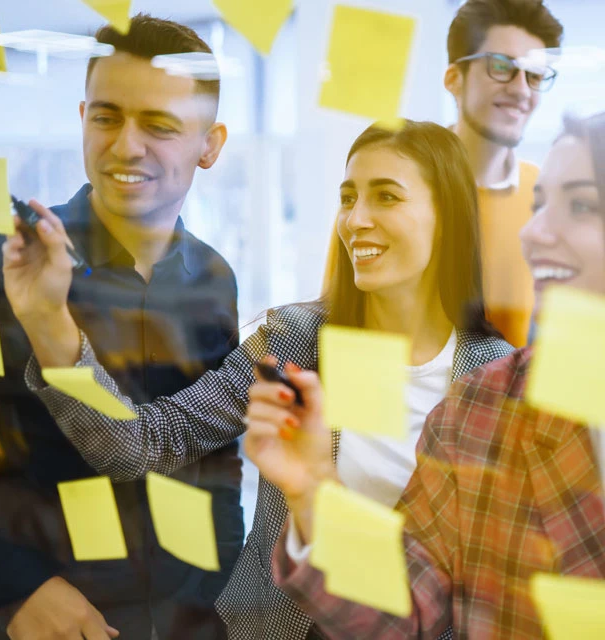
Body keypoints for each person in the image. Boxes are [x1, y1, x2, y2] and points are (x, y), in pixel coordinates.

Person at [2, 119, 512, 639]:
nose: (356, 219)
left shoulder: (496, 379)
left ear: (447, 217)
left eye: (386, 197)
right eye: (348, 197)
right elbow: (147, 443)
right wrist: (51, 327)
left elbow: (488, 581)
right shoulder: (296, 342)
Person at [247, 111, 605, 638]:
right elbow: (405, 607)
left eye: (580, 205)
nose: (534, 232)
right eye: (538, 206)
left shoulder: (476, 365)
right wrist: (313, 492)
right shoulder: (478, 407)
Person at [0, 14, 243, 640]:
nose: (126, 145)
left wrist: (213, 608)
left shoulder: (214, 280)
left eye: (160, 126)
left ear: (210, 143)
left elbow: (213, 467)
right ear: (82, 117)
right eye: (108, 117)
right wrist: (11, 588)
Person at [321, 0, 563, 349]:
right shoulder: (387, 188)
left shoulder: (549, 200)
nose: (521, 89)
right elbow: (342, 319)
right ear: (453, 78)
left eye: (535, 75)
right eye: (501, 67)